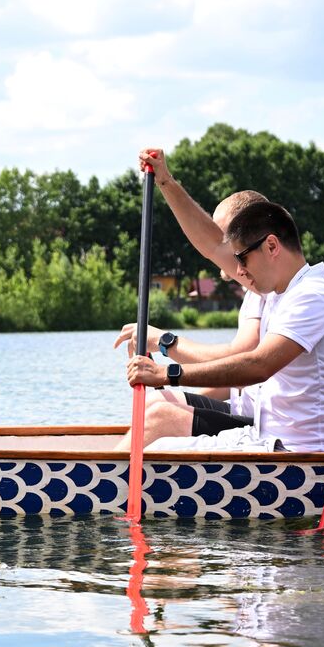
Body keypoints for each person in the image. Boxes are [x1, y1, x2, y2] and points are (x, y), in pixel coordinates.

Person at [126, 200, 324, 451]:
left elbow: (258, 365)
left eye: (242, 259)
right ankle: (108, 481)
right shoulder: (280, 293)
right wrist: (165, 180)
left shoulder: (313, 295)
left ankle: (100, 483)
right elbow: (211, 246)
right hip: (264, 437)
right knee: (156, 417)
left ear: (272, 246)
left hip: (298, 457)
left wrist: (167, 374)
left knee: (158, 429)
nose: (239, 271)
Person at [113, 149, 267, 450]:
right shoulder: (253, 291)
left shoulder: (269, 287)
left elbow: (239, 358)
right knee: (159, 402)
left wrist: (166, 343)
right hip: (251, 409)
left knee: (160, 414)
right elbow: (230, 381)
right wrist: (167, 386)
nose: (218, 251)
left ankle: (99, 486)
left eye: (224, 238)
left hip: (272, 429)